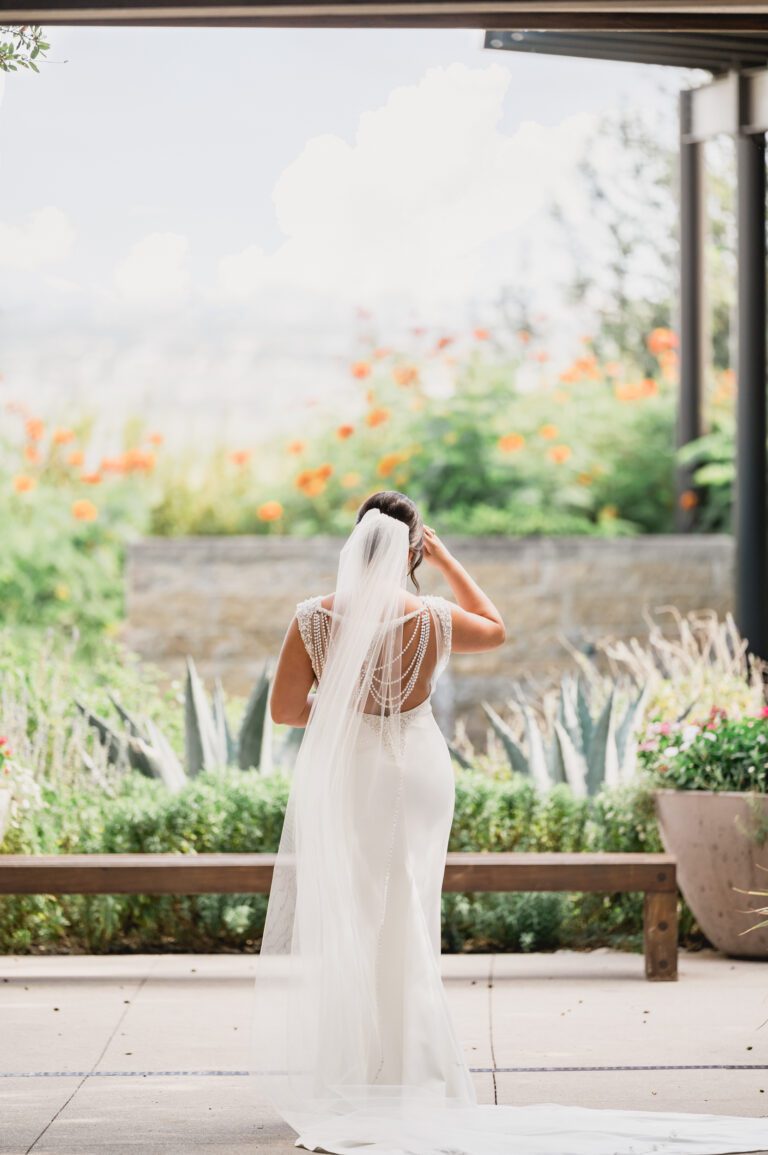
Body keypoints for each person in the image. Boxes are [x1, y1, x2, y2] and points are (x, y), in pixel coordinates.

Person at [249, 491, 766, 1155]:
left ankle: (355, 1070)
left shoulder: (312, 619)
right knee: (409, 905)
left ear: (354, 544)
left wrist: (349, 691)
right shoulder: (431, 615)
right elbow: (494, 626)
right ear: (411, 550)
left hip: (352, 772)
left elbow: (288, 711)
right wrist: (444, 560)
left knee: (351, 909)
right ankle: (410, 1070)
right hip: (418, 770)